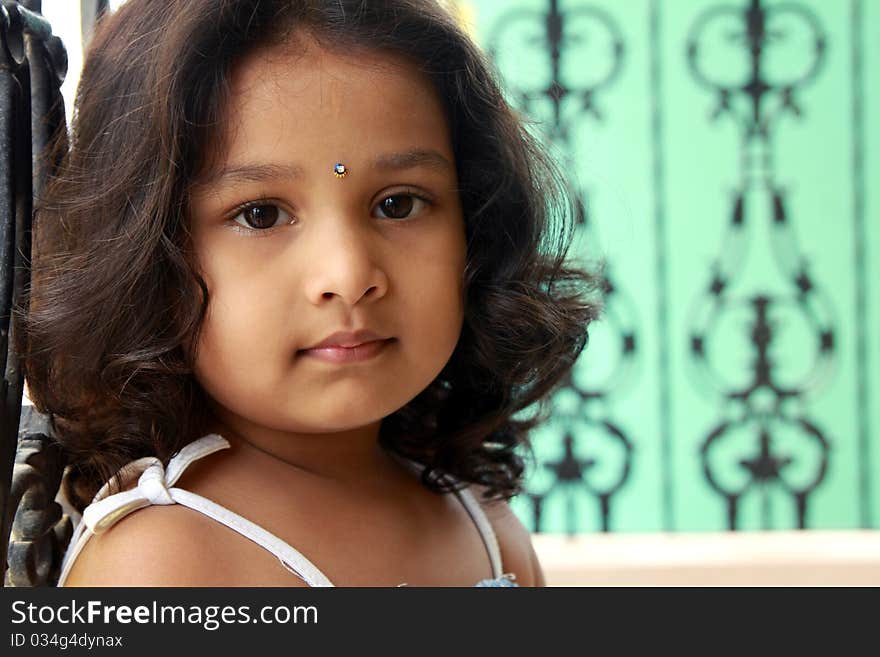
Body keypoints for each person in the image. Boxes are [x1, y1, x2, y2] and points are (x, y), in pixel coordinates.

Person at [19, 0, 603, 587]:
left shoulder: (490, 531)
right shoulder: (164, 562)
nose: (349, 276)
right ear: (147, 256)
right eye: (262, 215)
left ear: (476, 226)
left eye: (397, 203)